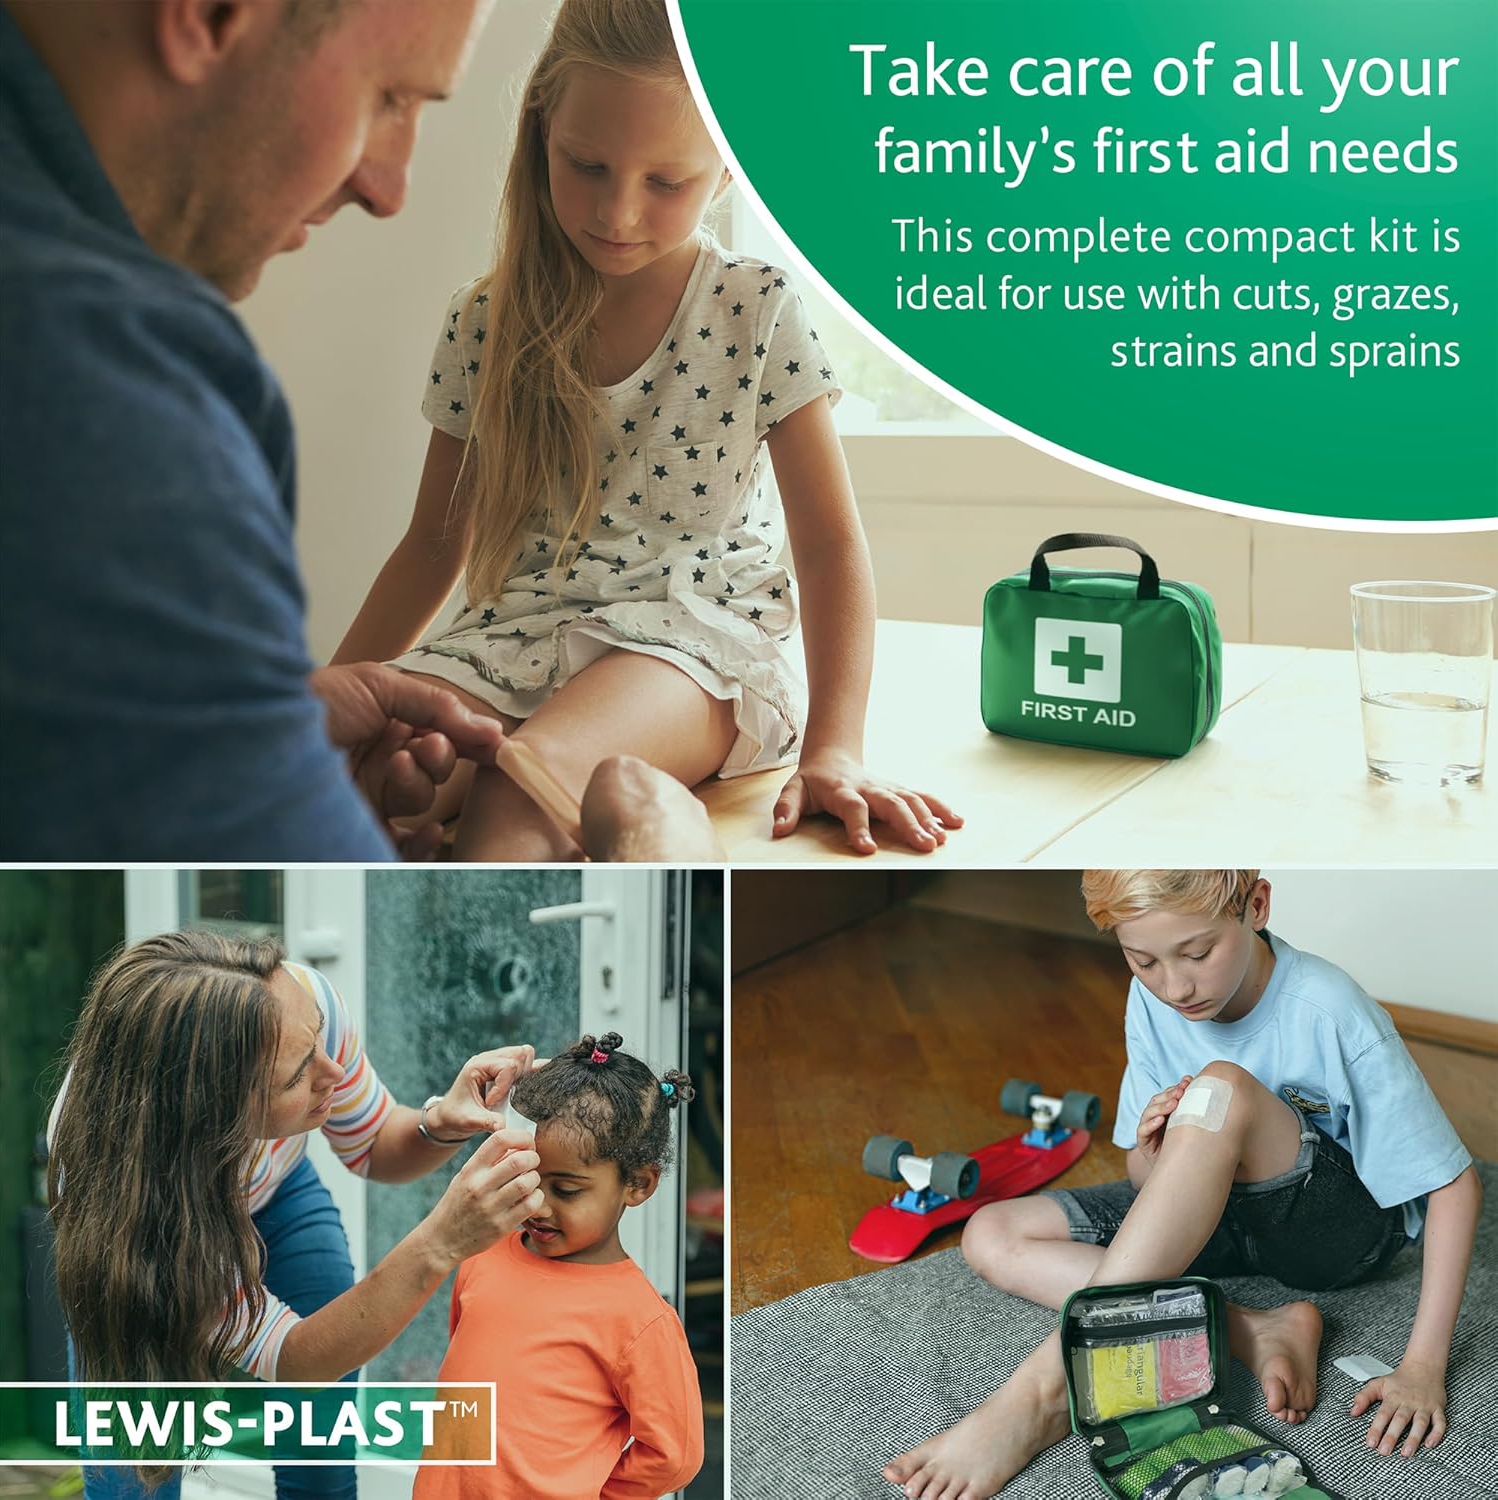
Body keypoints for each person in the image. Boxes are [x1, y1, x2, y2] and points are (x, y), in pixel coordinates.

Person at [0, 0, 712, 862]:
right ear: (211, 15)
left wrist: (280, 722)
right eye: (389, 98)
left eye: (666, 181)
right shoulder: (104, 402)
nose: (388, 187)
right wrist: (669, 859)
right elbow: (320, 880)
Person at [334, 0, 960, 861]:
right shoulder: (482, 320)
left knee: (524, 784)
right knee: (354, 786)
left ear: (729, 172)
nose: (618, 214)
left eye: (665, 184)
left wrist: (835, 748)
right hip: (514, 636)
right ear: (541, 129)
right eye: (587, 165)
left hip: (691, 641)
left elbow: (830, 545)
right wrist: (302, 722)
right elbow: (433, 544)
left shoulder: (755, 306)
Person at [885, 869, 1482, 1500]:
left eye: (1197, 954)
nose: (1175, 986)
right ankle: (1251, 1327)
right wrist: (1160, 1153)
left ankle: (1046, 1387)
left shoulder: (1330, 1009)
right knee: (993, 1233)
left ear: (1256, 906)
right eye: (1143, 961)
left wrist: (1423, 1365)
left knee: (1221, 1087)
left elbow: (1454, 1185)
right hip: (1216, 1218)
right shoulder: (1152, 1001)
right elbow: (1148, 1184)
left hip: (1330, 1238)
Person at [48, 929, 545, 1499]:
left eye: (318, 1037)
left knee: (320, 1444)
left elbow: (372, 1142)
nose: (333, 1072)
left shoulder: (299, 1004)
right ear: (214, 1110)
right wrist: (444, 1239)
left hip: (277, 1191)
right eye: (297, 1074)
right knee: (134, 1470)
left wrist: (439, 1123)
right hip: (150, 1228)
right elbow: (296, 1358)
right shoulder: (120, 1188)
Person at [414, 1031, 704, 1499]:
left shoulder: (640, 1320)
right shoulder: (483, 1253)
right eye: (526, 1177)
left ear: (638, 1184)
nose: (538, 1204)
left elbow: (676, 1453)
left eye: (566, 1190)